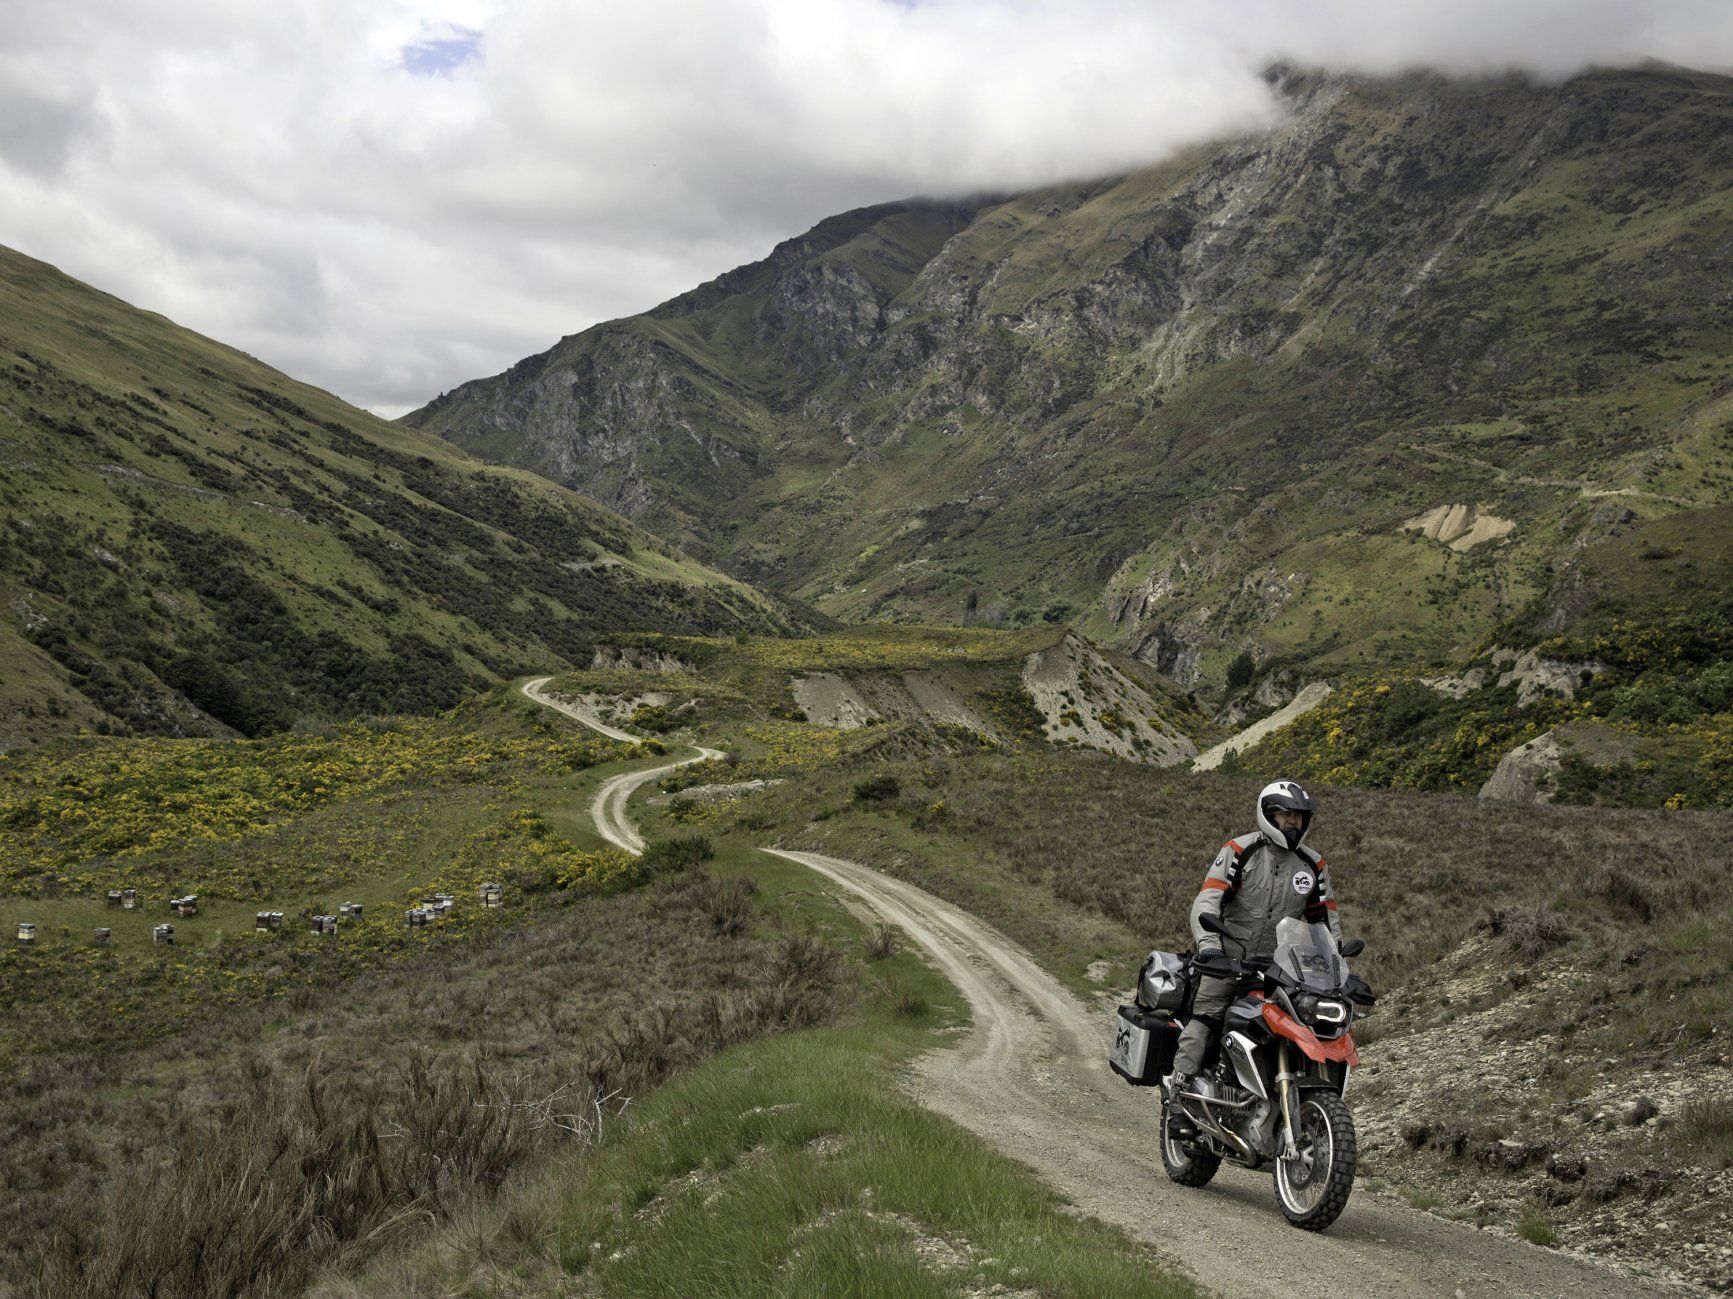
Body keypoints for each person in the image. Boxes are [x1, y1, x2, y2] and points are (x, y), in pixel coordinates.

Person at [1167, 779, 1343, 1106]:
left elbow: (1325, 920)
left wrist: (1338, 968)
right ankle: (1179, 1098)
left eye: (1299, 816)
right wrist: (1211, 950)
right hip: (1228, 961)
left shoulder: (1313, 865)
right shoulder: (1239, 850)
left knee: (1299, 1027)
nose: (1292, 821)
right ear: (1268, 815)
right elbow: (1206, 904)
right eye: (1285, 814)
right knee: (1206, 1018)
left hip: (1282, 970)